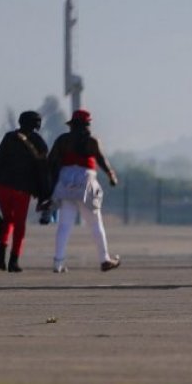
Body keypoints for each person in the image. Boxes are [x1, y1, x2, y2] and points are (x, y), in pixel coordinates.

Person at [47, 109, 121, 273]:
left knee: (64, 224)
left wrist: (50, 184)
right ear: (87, 124)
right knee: (95, 223)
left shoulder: (63, 140)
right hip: (86, 180)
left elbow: (51, 161)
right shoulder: (92, 141)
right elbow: (101, 159)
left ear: (72, 125)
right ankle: (104, 259)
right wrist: (111, 175)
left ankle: (58, 263)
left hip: (66, 180)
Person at [0, 110, 51, 272]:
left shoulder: (9, 137)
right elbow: (43, 169)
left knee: (7, 219)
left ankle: (1, 250)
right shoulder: (38, 142)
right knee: (19, 224)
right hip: (22, 189)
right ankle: (14, 260)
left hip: (3, 186)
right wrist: (44, 193)